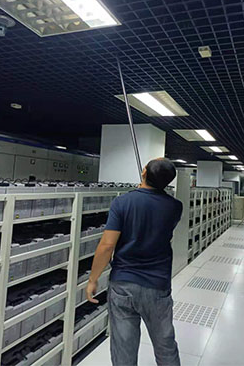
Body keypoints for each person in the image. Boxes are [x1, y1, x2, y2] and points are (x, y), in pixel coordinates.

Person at [85, 157, 183, 366]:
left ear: (144, 172)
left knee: (123, 348)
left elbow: (107, 246)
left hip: (123, 284)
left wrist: (93, 279)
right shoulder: (175, 207)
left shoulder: (122, 202)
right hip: (157, 285)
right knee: (165, 345)